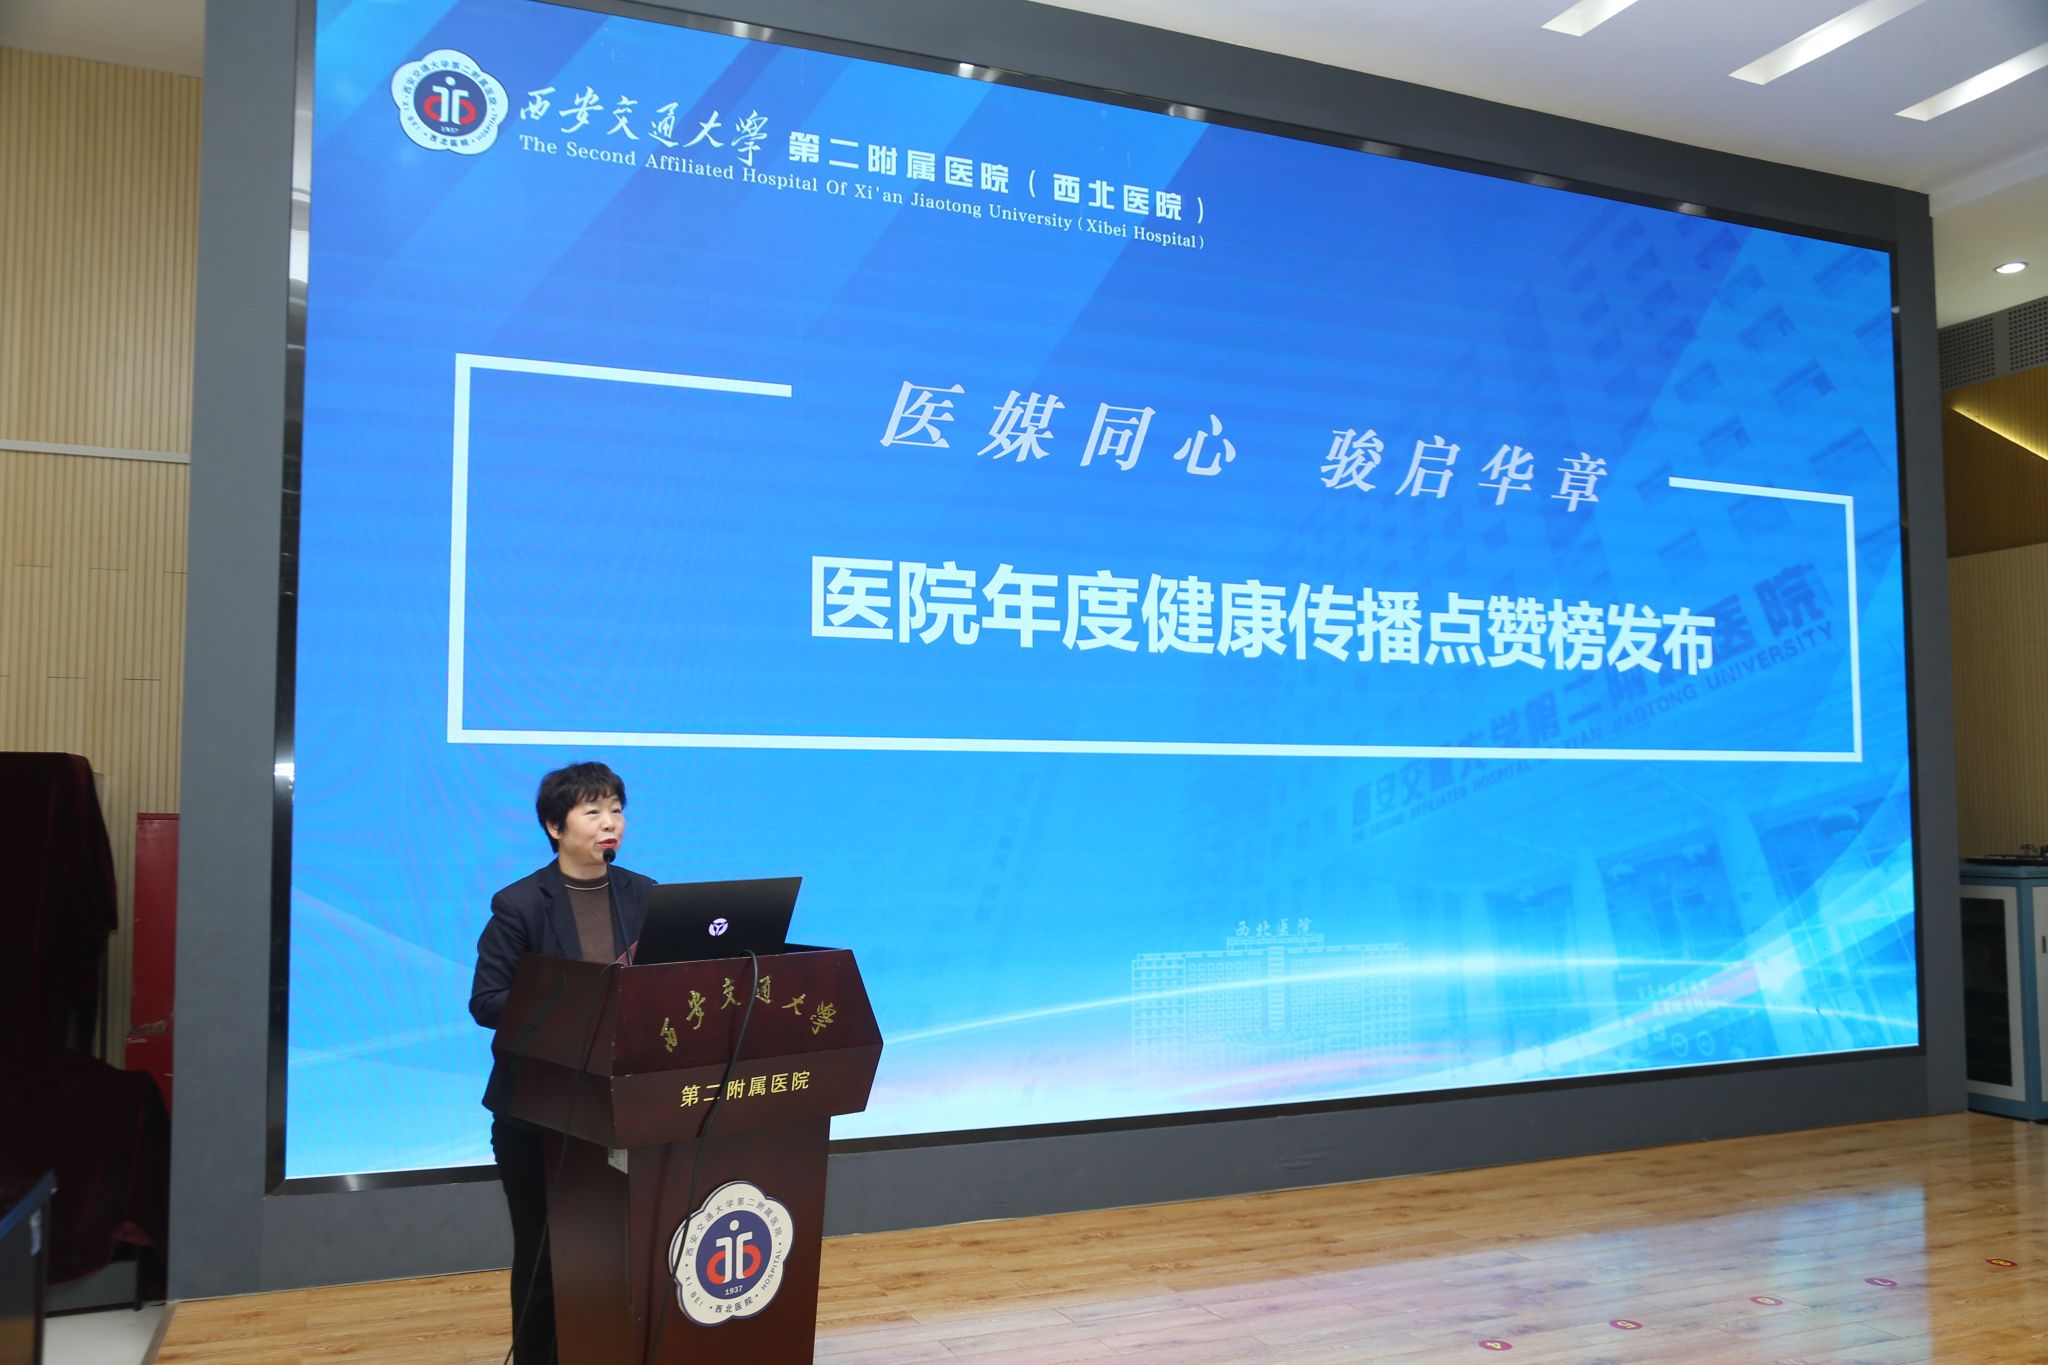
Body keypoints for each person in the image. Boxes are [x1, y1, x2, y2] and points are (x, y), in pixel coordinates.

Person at [469, 762, 653, 1365]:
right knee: (545, 1254)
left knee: (622, 1251)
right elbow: (487, 1001)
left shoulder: (643, 895)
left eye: (616, 810)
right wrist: (572, 1003)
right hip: (539, 1112)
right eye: (593, 812)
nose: (610, 823)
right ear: (555, 826)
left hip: (621, 1108)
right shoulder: (520, 904)